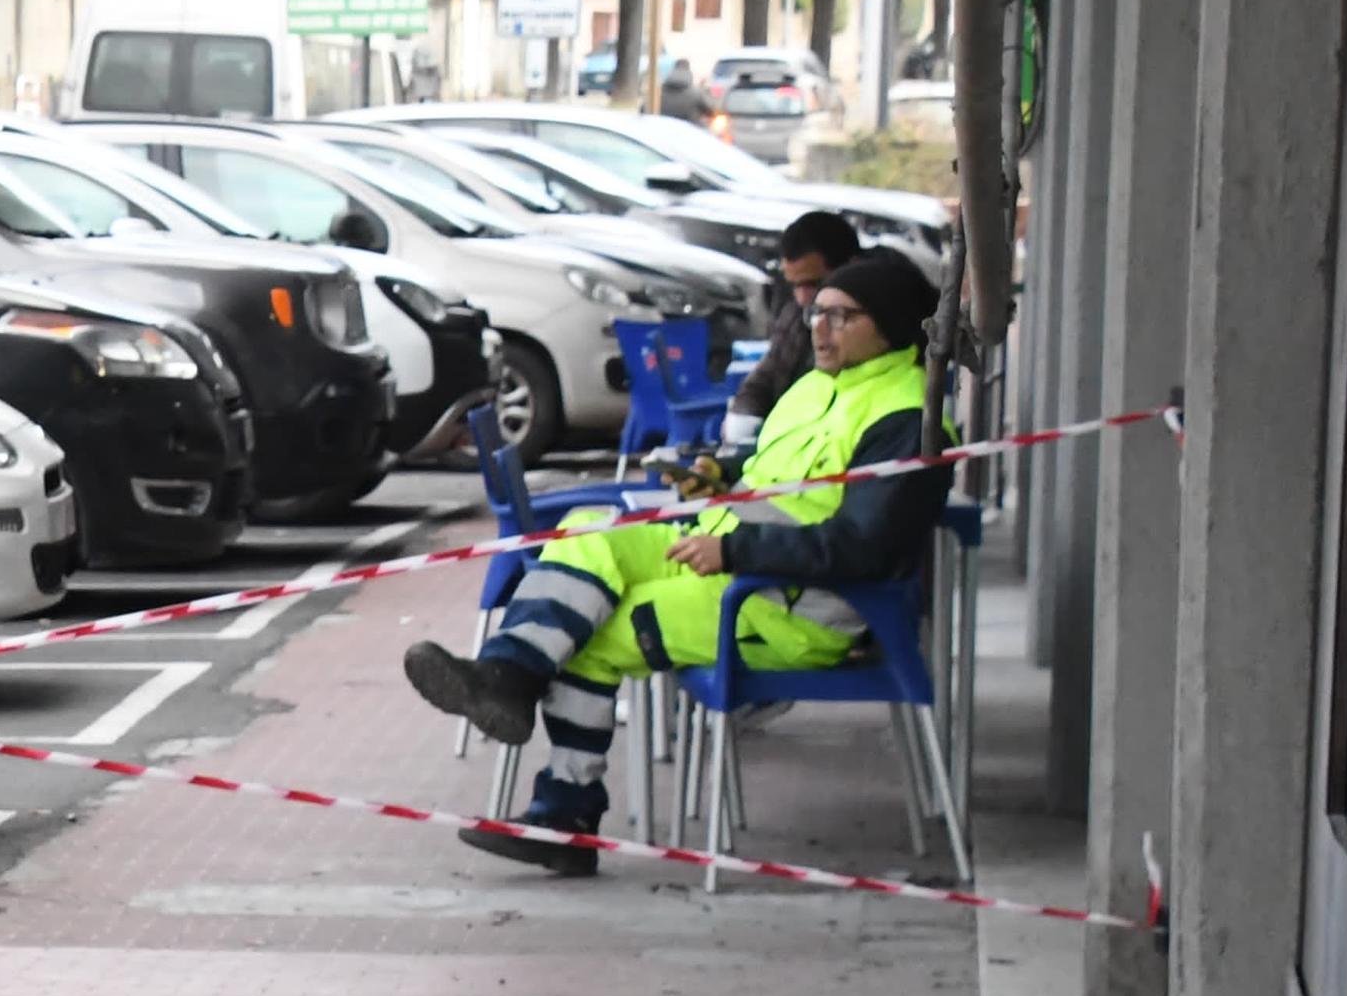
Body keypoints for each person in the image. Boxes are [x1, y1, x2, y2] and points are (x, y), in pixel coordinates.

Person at [401, 253, 948, 874]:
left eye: (842, 317)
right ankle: (507, 674)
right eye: (818, 312)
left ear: (892, 327)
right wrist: (723, 474)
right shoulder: (817, 386)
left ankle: (567, 815)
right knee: (590, 532)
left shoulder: (907, 416)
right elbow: (788, 476)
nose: (819, 329)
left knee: (595, 632)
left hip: (791, 609)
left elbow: (863, 547)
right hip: (726, 558)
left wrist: (735, 549)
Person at [721, 209, 871, 449]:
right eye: (795, 285)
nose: (802, 297)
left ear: (851, 267)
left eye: (813, 283)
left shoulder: (869, 331)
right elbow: (766, 375)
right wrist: (743, 419)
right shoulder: (794, 316)